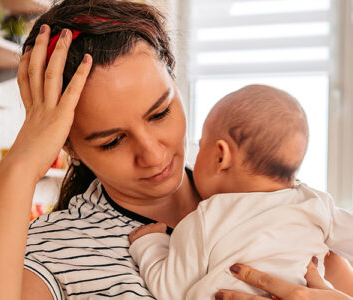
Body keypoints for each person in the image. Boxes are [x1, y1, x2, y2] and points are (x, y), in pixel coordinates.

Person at [0, 0, 351, 299]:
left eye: (160, 113)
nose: (154, 155)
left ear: (174, 79)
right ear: (68, 146)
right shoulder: (56, 250)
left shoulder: (268, 193)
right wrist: (21, 163)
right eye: (112, 140)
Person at [128, 85, 353, 300]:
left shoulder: (206, 218)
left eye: (201, 145)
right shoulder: (316, 203)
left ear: (220, 156)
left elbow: (170, 290)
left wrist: (149, 243)